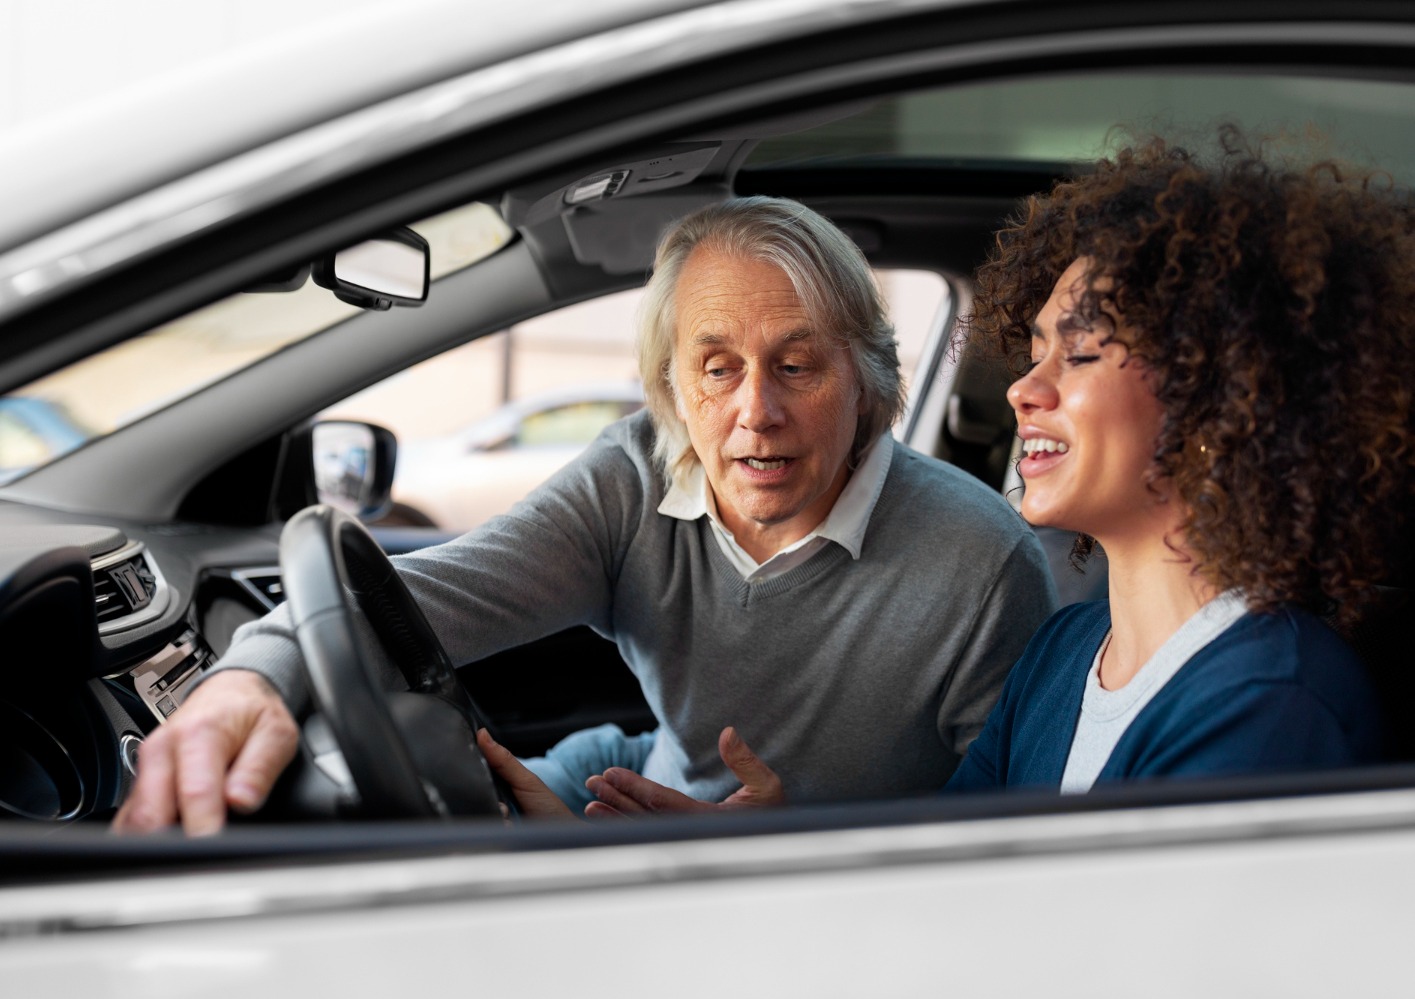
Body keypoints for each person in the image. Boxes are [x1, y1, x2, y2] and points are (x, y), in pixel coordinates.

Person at [114, 196, 1057, 835]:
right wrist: (250, 685)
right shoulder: (632, 478)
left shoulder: (982, 563)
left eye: (799, 366)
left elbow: (1020, 848)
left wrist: (782, 847)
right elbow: (414, 600)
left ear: (867, 380)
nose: (755, 411)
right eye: (716, 366)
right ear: (671, 388)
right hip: (624, 790)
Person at [941, 134, 1415, 792]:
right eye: (1035, 351)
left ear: (1216, 401)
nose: (1022, 389)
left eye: (1078, 355)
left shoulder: (1272, 703)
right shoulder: (1062, 649)